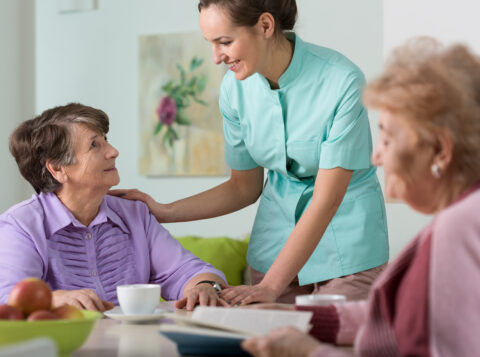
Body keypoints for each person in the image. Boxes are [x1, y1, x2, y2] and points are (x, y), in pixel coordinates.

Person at [110, 0, 388, 304]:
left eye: (225, 42)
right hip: (273, 245)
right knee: (267, 346)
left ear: (265, 26)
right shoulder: (234, 89)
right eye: (211, 44)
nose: (216, 57)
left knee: (333, 343)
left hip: (346, 248)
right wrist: (165, 211)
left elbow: (326, 198)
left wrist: (271, 286)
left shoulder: (342, 81)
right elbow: (243, 187)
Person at [241, 38, 480, 356]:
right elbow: (400, 317)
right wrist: (297, 318)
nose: (376, 156)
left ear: (439, 149)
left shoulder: (459, 228)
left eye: (387, 138)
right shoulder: (464, 216)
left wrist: (310, 352)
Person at [0, 103, 227, 312]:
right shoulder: (21, 226)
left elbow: (187, 271)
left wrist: (204, 286)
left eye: (105, 139)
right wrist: (54, 299)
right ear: (58, 168)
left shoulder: (134, 213)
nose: (113, 151)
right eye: (94, 145)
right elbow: (8, 299)